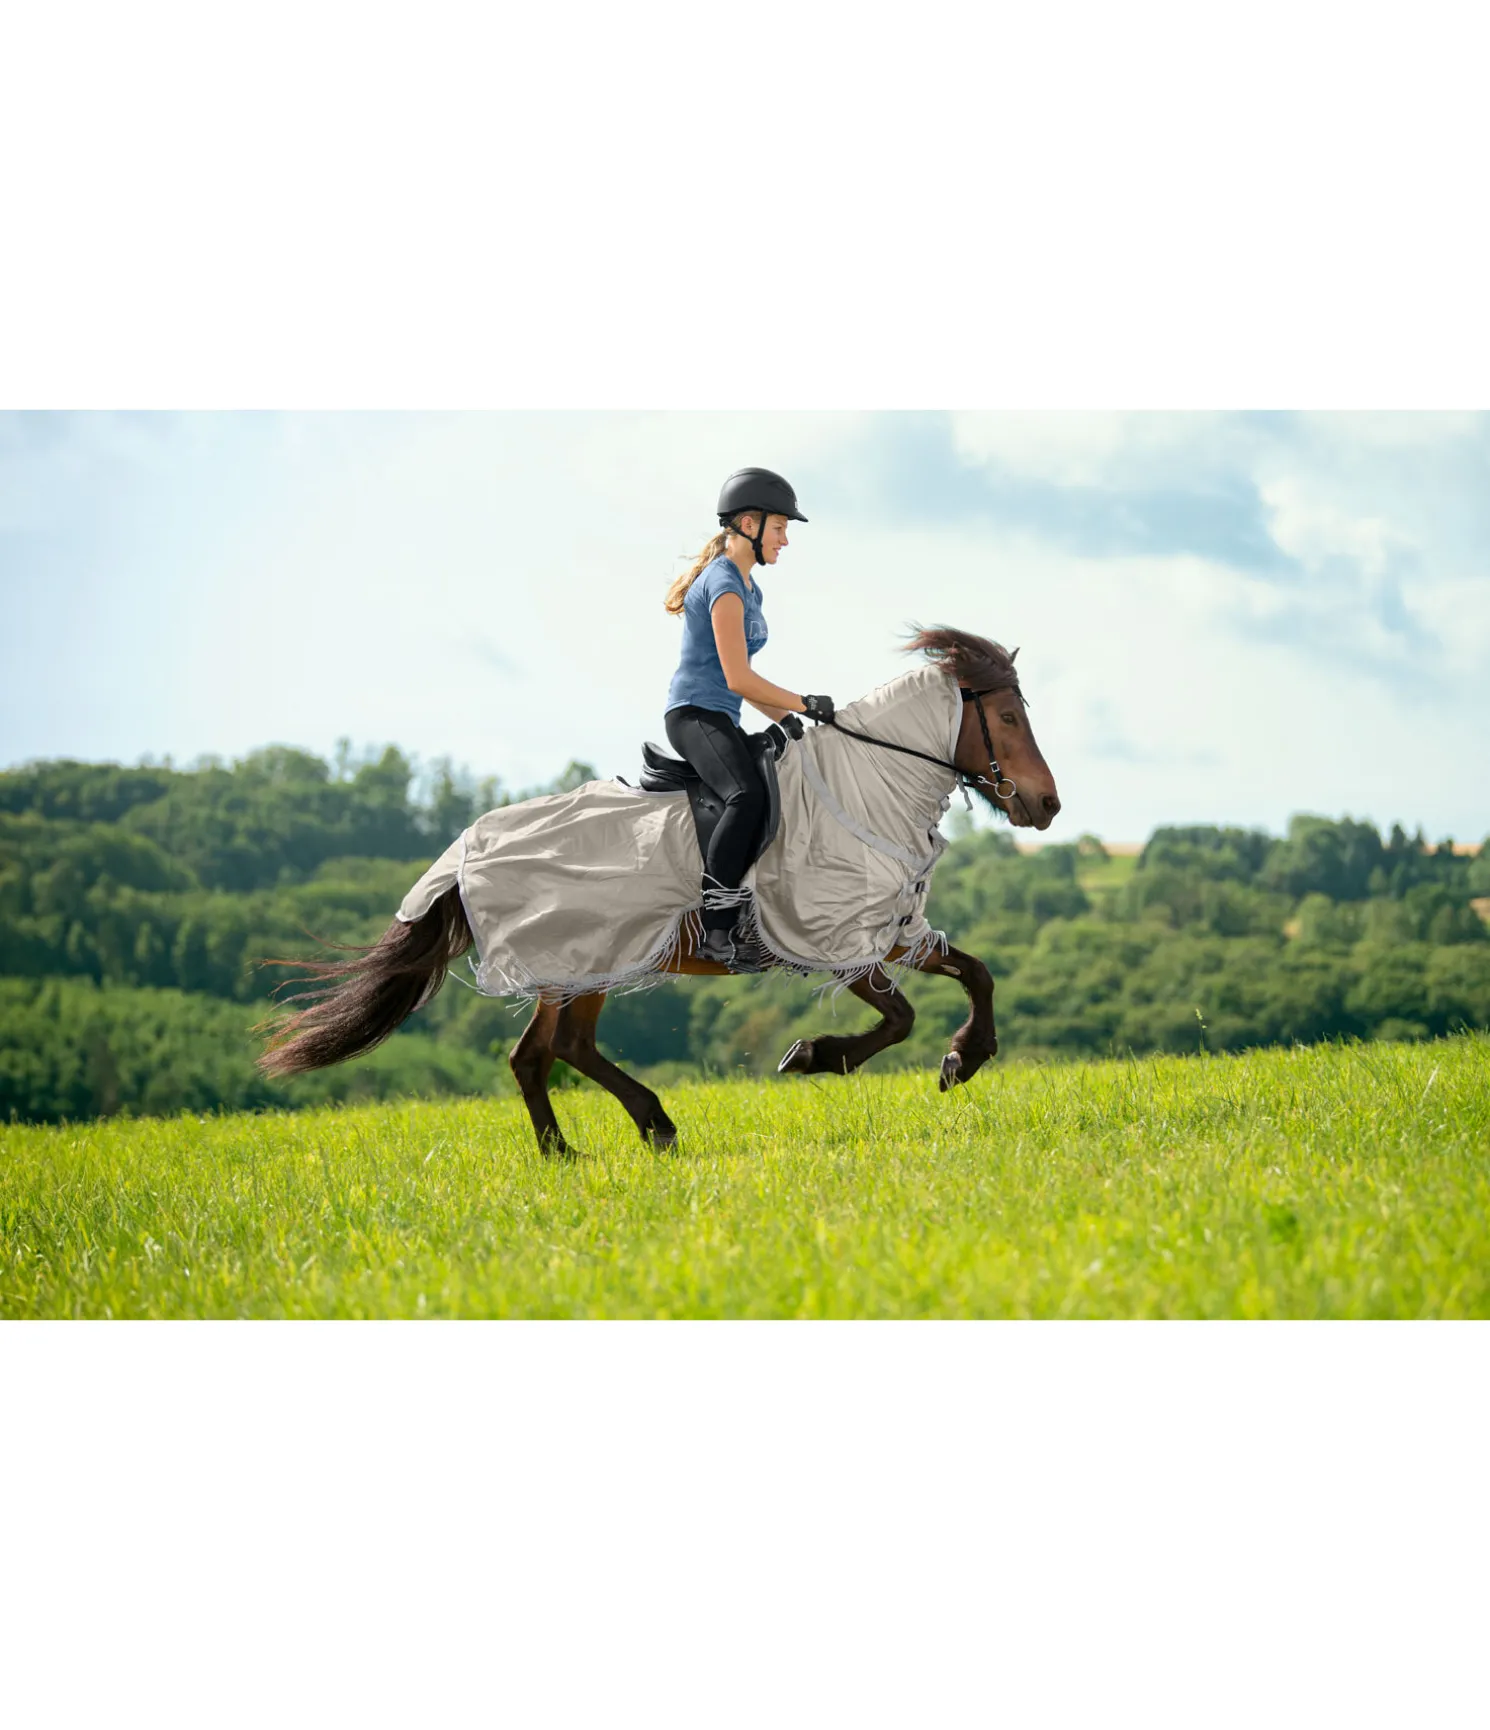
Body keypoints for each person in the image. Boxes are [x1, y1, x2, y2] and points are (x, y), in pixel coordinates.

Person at [663, 467, 836, 969]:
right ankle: (716, 930)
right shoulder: (723, 583)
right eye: (779, 528)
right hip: (694, 715)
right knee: (745, 794)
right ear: (748, 524)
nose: (785, 540)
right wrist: (802, 702)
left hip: (720, 715)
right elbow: (737, 678)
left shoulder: (748, 586)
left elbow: (742, 679)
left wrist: (787, 718)